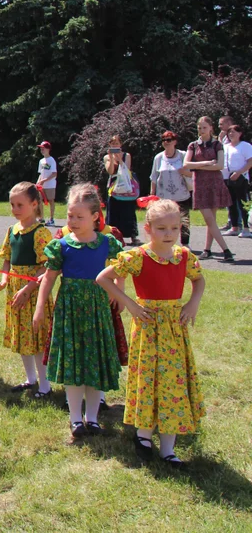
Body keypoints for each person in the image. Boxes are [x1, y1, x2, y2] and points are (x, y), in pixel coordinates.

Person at [95, 198, 205, 468]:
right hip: (147, 325)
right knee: (148, 379)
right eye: (161, 229)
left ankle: (169, 448)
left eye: (174, 228)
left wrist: (192, 303)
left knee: (173, 382)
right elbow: (103, 278)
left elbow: (199, 279)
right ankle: (143, 435)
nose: (168, 234)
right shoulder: (138, 256)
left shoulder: (184, 256)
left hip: (173, 328)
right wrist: (130, 303)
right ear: (148, 229)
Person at [34, 184, 123, 439]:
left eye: (79, 216)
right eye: (70, 215)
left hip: (97, 310)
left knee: (94, 363)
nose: (72, 221)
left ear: (95, 216)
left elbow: (119, 269)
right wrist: (41, 308)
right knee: (73, 365)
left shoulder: (107, 243)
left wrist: (119, 292)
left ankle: (93, 418)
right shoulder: (61, 246)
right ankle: (75, 419)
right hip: (69, 311)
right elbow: (49, 279)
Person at [0, 182, 54, 398]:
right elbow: (7, 259)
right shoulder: (11, 230)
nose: (15, 209)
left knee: (36, 340)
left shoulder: (41, 233)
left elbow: (46, 265)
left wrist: (28, 288)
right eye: (12, 205)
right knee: (22, 337)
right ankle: (30, 379)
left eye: (20, 205)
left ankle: (45, 385)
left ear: (34, 204)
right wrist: (3, 281)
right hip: (16, 290)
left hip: (34, 291)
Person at [184, 116, 233, 262]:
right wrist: (206, 163)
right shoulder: (193, 145)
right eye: (199, 127)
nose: (201, 130)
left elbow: (219, 166)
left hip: (214, 183)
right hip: (200, 184)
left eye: (204, 127)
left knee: (211, 220)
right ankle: (226, 250)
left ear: (211, 128)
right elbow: (186, 164)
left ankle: (207, 250)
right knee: (209, 219)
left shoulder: (217, 144)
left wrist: (197, 165)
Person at [150, 131, 194, 246]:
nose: (166, 142)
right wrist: (152, 194)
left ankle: (185, 244)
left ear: (175, 141)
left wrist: (185, 172)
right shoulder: (159, 157)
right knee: (164, 221)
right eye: (163, 140)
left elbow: (193, 173)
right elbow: (154, 177)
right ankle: (165, 243)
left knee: (183, 220)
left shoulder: (183, 155)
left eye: (168, 140)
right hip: (164, 196)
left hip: (181, 194)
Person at [103, 135, 140, 245]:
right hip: (113, 187)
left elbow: (126, 170)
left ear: (121, 144)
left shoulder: (126, 155)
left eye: (116, 143)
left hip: (125, 185)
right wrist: (111, 158)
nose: (114, 145)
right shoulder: (107, 157)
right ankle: (112, 235)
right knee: (113, 211)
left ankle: (132, 236)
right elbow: (110, 171)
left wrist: (120, 160)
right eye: (112, 143)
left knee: (128, 211)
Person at [222, 123, 252, 238]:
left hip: (241, 177)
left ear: (240, 133)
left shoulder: (245, 146)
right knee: (231, 203)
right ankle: (234, 227)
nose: (231, 134)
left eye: (233, 132)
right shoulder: (226, 146)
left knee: (243, 203)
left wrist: (239, 172)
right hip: (227, 177)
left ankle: (246, 228)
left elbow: (250, 161)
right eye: (229, 132)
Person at [36, 142, 58, 225]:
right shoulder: (41, 161)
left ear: (48, 149)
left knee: (51, 200)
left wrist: (44, 180)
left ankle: (51, 219)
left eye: (43, 148)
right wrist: (38, 182)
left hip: (50, 184)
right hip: (42, 185)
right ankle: (41, 218)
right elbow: (40, 173)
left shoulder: (51, 160)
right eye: (41, 148)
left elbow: (54, 174)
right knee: (39, 200)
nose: (41, 150)